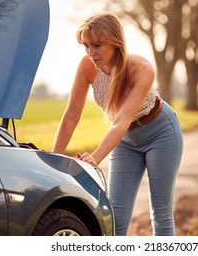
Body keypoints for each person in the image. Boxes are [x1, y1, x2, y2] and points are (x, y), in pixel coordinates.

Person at [52, 12, 183, 236]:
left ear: (114, 43)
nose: (91, 53)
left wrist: (95, 158)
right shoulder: (87, 66)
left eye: (97, 45)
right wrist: (52, 161)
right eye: (86, 46)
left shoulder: (141, 69)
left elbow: (121, 120)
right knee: (116, 217)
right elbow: (71, 115)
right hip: (126, 140)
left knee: (160, 214)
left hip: (161, 133)